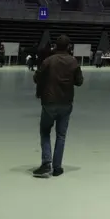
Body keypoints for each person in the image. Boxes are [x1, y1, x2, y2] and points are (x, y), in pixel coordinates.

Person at [33, 35, 83, 178]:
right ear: (69, 47)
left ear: (55, 46)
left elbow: (36, 78)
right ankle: (57, 167)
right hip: (66, 102)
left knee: (45, 132)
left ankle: (46, 163)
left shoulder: (49, 61)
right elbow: (79, 82)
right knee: (61, 135)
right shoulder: (73, 62)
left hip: (49, 101)